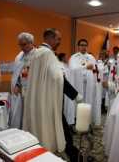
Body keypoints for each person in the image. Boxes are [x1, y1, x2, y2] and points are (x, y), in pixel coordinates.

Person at [23, 28, 82, 162]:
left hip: (39, 98)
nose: (59, 42)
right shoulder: (48, 54)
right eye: (58, 39)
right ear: (49, 38)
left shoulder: (36, 52)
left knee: (50, 126)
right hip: (49, 101)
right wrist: (76, 95)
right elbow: (58, 78)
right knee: (63, 130)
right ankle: (74, 156)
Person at [10, 32, 36, 129]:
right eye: (20, 45)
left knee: (32, 114)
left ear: (31, 43)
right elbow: (16, 73)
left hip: (33, 91)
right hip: (22, 91)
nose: (21, 47)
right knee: (21, 114)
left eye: (24, 44)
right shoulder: (19, 56)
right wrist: (17, 84)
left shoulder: (37, 56)